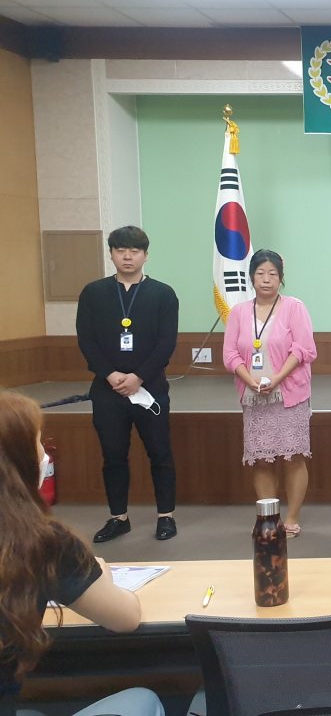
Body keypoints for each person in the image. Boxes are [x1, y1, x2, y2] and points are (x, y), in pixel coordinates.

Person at [0, 391, 164, 716]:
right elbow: (125, 617)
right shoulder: (41, 542)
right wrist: (100, 575)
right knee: (144, 701)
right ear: (21, 461)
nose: (45, 452)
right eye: (39, 442)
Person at [74, 225, 179, 543]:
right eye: (120, 250)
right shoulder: (93, 293)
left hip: (150, 388)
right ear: (111, 254)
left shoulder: (163, 294)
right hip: (107, 390)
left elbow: (166, 343)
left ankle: (165, 516)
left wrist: (138, 377)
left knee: (160, 453)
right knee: (113, 456)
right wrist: (110, 374)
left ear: (146, 255)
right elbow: (86, 340)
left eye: (134, 250)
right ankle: (118, 518)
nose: (127, 256)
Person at [222, 250, 317, 538]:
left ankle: (292, 517)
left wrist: (277, 378)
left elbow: (304, 349)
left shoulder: (294, 307)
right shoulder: (239, 312)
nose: (266, 279)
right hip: (254, 397)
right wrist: (249, 379)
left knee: (293, 457)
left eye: (272, 274)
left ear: (281, 278)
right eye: (261, 273)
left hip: (288, 395)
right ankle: (270, 519)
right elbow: (229, 354)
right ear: (251, 277)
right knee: (262, 459)